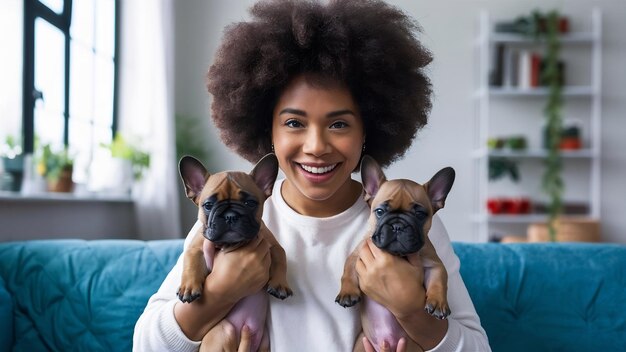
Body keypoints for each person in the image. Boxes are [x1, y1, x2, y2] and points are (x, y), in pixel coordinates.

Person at [133, 0, 491, 351]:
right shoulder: (231, 215)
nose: (316, 145)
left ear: (368, 130)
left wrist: (412, 309)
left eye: (338, 123)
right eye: (293, 123)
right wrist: (217, 295)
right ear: (267, 130)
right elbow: (146, 344)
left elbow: (477, 347)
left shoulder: (414, 218)